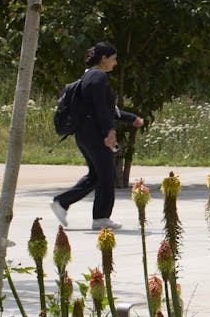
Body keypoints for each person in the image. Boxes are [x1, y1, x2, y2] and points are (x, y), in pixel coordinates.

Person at [51, 42, 144, 230]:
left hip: (84, 134)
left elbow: (107, 109)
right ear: (104, 58)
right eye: (114, 59)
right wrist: (109, 132)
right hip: (95, 134)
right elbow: (101, 109)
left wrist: (131, 118)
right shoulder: (99, 76)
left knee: (96, 175)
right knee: (107, 174)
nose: (115, 63)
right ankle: (101, 217)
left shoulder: (88, 77)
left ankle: (62, 203)